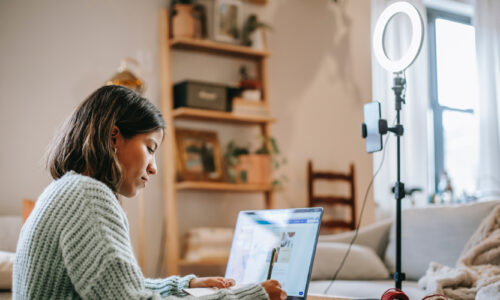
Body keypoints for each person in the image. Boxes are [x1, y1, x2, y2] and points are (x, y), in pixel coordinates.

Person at [13, 85, 286, 300]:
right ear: (114, 137)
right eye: (150, 148)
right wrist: (248, 295)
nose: (153, 168)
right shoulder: (88, 197)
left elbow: (116, 288)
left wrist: (183, 285)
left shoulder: (64, 190)